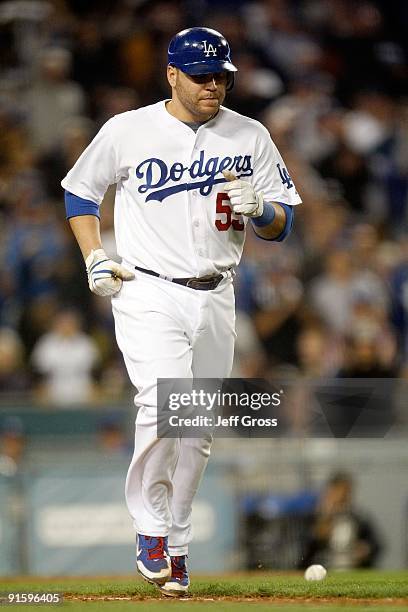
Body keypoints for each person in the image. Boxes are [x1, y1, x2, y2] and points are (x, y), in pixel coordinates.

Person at [61, 27, 301, 596]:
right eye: (201, 75)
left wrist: (262, 208)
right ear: (171, 73)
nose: (213, 85)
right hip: (148, 288)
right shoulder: (129, 129)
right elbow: (79, 192)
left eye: (221, 75)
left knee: (195, 429)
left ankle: (179, 542)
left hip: (217, 291)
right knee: (163, 400)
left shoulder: (250, 133)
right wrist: (95, 255)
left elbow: (283, 224)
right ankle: (149, 528)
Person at [300, 471, 382, 569]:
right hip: (325, 567)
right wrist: (323, 524)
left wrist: (366, 549)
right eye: (339, 491)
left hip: (354, 568)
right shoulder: (314, 517)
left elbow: (376, 544)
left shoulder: (359, 518)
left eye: (346, 493)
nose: (342, 496)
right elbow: (303, 550)